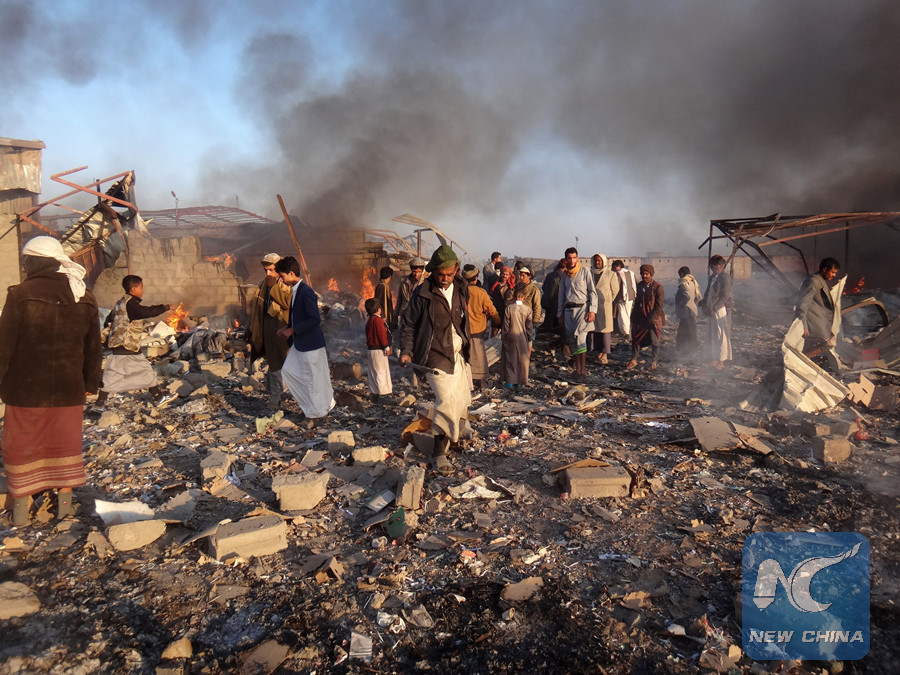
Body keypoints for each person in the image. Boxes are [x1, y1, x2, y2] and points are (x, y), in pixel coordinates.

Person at [0, 236, 102, 526]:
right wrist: (89, 383)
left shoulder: (20, 294)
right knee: (64, 443)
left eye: (27, 260)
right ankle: (65, 508)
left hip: (26, 387)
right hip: (69, 386)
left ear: (35, 262)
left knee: (22, 443)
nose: (24, 265)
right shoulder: (83, 295)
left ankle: (21, 511)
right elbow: (93, 347)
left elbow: (4, 345)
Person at [399, 245, 472, 475]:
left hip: (457, 353)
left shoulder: (461, 287)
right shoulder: (423, 294)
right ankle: (438, 452)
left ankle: (456, 433)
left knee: (461, 397)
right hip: (434, 354)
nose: (445, 279)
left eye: (450, 274)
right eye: (441, 275)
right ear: (433, 272)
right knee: (446, 401)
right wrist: (406, 350)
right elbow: (408, 324)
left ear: (456, 269)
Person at [96, 274, 175, 406]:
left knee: (113, 373)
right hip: (127, 344)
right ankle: (158, 396)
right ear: (133, 288)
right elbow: (145, 312)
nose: (143, 290)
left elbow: (108, 321)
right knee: (144, 369)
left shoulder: (120, 303)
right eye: (141, 287)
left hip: (119, 344)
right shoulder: (131, 303)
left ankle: (100, 403)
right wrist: (165, 307)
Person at [275, 256, 335, 418]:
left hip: (310, 344)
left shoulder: (306, 292)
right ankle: (313, 407)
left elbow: (314, 319)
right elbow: (298, 317)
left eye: (282, 276)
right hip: (300, 343)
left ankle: (317, 413)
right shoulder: (296, 291)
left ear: (291, 273)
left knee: (313, 379)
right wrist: (287, 328)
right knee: (289, 372)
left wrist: (292, 330)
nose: (281, 280)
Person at [247, 253, 292, 408]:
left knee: (280, 364)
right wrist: (251, 328)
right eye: (266, 270)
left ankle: (277, 398)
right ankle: (277, 395)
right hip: (268, 330)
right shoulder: (264, 284)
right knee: (274, 363)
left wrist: (274, 287)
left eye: (271, 270)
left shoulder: (285, 284)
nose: (268, 273)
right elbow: (259, 307)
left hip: (282, 330)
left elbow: (287, 303)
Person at [557, 247, 597, 382]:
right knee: (572, 341)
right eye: (569, 258)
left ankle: (582, 371)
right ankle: (577, 370)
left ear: (577, 258)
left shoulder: (585, 271)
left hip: (582, 310)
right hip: (569, 311)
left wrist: (592, 310)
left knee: (581, 340)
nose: (572, 260)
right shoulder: (564, 275)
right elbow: (561, 295)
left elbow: (592, 292)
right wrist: (560, 314)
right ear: (566, 259)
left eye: (574, 258)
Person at [795, 257, 842, 358]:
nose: (834, 275)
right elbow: (803, 304)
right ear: (825, 269)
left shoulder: (820, 280)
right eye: (833, 272)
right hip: (813, 324)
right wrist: (803, 325)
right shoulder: (814, 281)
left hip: (820, 323)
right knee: (828, 344)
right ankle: (802, 360)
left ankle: (803, 360)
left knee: (820, 346)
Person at [463, 264, 500, 389]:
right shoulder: (480, 293)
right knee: (479, 358)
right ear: (476, 277)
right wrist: (499, 322)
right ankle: (480, 382)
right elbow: (492, 311)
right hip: (477, 329)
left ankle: (466, 381)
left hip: (462, 329)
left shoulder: (459, 291)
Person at [627, 264, 665, 370]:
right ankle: (633, 359)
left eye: (647, 274)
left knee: (654, 341)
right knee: (636, 338)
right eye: (643, 274)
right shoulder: (640, 286)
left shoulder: (658, 287)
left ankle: (654, 362)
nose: (644, 276)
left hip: (652, 318)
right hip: (640, 318)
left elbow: (659, 306)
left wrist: (652, 318)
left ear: (651, 274)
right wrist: (633, 316)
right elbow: (637, 302)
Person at [700, 255, 733, 369]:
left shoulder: (725, 277)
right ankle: (714, 359)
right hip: (711, 310)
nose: (713, 268)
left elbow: (725, 296)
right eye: (712, 266)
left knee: (721, 336)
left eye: (714, 266)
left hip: (719, 310)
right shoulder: (712, 277)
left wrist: (715, 308)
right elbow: (708, 292)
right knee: (712, 335)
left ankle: (721, 362)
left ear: (720, 266)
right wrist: (704, 304)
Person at [588, 253, 618, 364]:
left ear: (603, 262)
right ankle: (597, 351)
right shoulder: (590, 273)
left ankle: (605, 353)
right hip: (592, 306)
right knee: (594, 329)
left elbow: (615, 290)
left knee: (605, 330)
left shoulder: (611, 274)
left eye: (599, 261)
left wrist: (607, 300)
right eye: (595, 260)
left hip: (605, 306)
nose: (597, 262)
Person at [502, 289, 533, 388]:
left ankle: (510, 381)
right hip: (523, 337)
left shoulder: (509, 308)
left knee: (510, 358)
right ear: (524, 298)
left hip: (511, 336)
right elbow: (529, 326)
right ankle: (520, 382)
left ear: (515, 297)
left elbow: (506, 325)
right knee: (522, 359)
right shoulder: (527, 309)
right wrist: (529, 337)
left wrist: (504, 336)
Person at [364, 298, 392, 400]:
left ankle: (374, 392)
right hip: (378, 350)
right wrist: (386, 347)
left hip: (370, 350)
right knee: (381, 372)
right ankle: (383, 395)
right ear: (379, 309)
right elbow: (381, 335)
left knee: (373, 372)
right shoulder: (378, 320)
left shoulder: (370, 320)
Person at [504, 266, 542, 336]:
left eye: (523, 276)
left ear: (529, 276)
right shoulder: (516, 288)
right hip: (516, 320)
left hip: (527, 320)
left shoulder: (534, 290)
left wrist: (534, 322)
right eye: (520, 275)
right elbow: (508, 302)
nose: (521, 277)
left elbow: (537, 307)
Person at [674, 265, 702, 355]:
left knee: (685, 332)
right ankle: (689, 350)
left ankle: (686, 350)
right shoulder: (693, 282)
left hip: (686, 311)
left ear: (682, 274)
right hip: (692, 311)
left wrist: (681, 304)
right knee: (691, 331)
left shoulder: (684, 284)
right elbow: (696, 297)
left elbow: (686, 297)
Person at [395, 257, 426, 326]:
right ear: (411, 270)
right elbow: (399, 300)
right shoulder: (404, 282)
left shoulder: (425, 283)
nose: (416, 274)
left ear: (422, 271)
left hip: (418, 317)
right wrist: (395, 316)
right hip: (404, 315)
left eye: (419, 272)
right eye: (414, 272)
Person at [611, 260, 636, 341]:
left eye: (614, 267)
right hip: (631, 297)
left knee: (622, 315)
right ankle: (625, 331)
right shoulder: (630, 273)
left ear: (617, 266)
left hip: (622, 297)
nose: (613, 269)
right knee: (627, 314)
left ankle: (626, 333)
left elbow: (616, 286)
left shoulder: (618, 274)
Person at [540, 259, 565, 332]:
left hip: (547, 304)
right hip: (555, 305)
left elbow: (544, 287)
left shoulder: (550, 275)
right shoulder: (561, 277)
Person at [374, 265, 395, 332]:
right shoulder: (382, 286)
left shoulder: (384, 286)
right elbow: (378, 302)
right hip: (384, 318)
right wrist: (382, 316)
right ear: (390, 277)